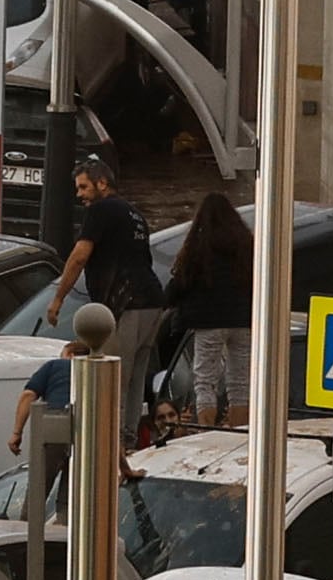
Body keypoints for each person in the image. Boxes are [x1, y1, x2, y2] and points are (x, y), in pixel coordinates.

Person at [51, 159, 163, 440]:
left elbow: (79, 257)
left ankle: (113, 442)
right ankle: (130, 436)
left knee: (115, 375)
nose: (80, 195)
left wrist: (58, 299)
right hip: (152, 300)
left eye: (84, 187)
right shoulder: (136, 214)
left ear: (102, 183)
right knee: (136, 376)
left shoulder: (101, 210)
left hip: (126, 301)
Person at [164, 191, 255, 429]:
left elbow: (180, 283)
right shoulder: (246, 244)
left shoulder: (198, 247)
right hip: (243, 320)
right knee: (240, 383)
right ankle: (238, 432)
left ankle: (207, 430)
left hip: (208, 323)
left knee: (205, 382)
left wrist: (166, 301)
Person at [5, 339, 79, 456]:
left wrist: (17, 433)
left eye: (61, 355)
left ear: (71, 355)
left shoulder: (55, 365)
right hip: (87, 425)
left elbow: (28, 395)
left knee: (43, 470)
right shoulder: (97, 369)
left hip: (56, 420)